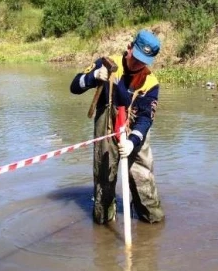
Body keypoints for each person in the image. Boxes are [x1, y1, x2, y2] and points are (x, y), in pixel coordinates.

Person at [70, 29, 165, 225]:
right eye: (135, 57)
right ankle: (105, 226)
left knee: (144, 182)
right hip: (107, 130)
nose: (137, 64)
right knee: (104, 182)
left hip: (135, 133)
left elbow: (146, 118)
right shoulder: (107, 63)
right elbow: (74, 87)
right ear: (129, 48)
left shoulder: (151, 83)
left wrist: (132, 142)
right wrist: (94, 76)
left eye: (143, 61)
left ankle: (150, 222)